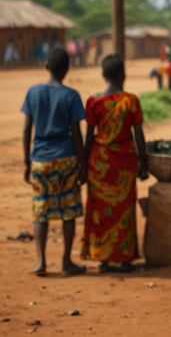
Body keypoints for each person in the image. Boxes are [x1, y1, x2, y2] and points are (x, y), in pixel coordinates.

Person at [21, 47, 87, 277]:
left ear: (46, 66)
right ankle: (67, 261)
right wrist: (83, 164)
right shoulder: (71, 96)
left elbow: (27, 130)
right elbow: (77, 134)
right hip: (66, 160)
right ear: (66, 70)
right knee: (68, 211)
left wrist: (27, 163)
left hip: (41, 159)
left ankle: (41, 261)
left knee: (41, 212)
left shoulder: (33, 92)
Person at [81, 54, 149, 273]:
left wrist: (84, 165)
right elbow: (138, 134)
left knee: (101, 211)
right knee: (124, 209)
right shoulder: (130, 101)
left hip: (100, 163)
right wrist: (143, 162)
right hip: (124, 163)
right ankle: (125, 258)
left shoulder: (93, 102)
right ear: (123, 75)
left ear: (103, 75)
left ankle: (103, 259)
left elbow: (89, 137)